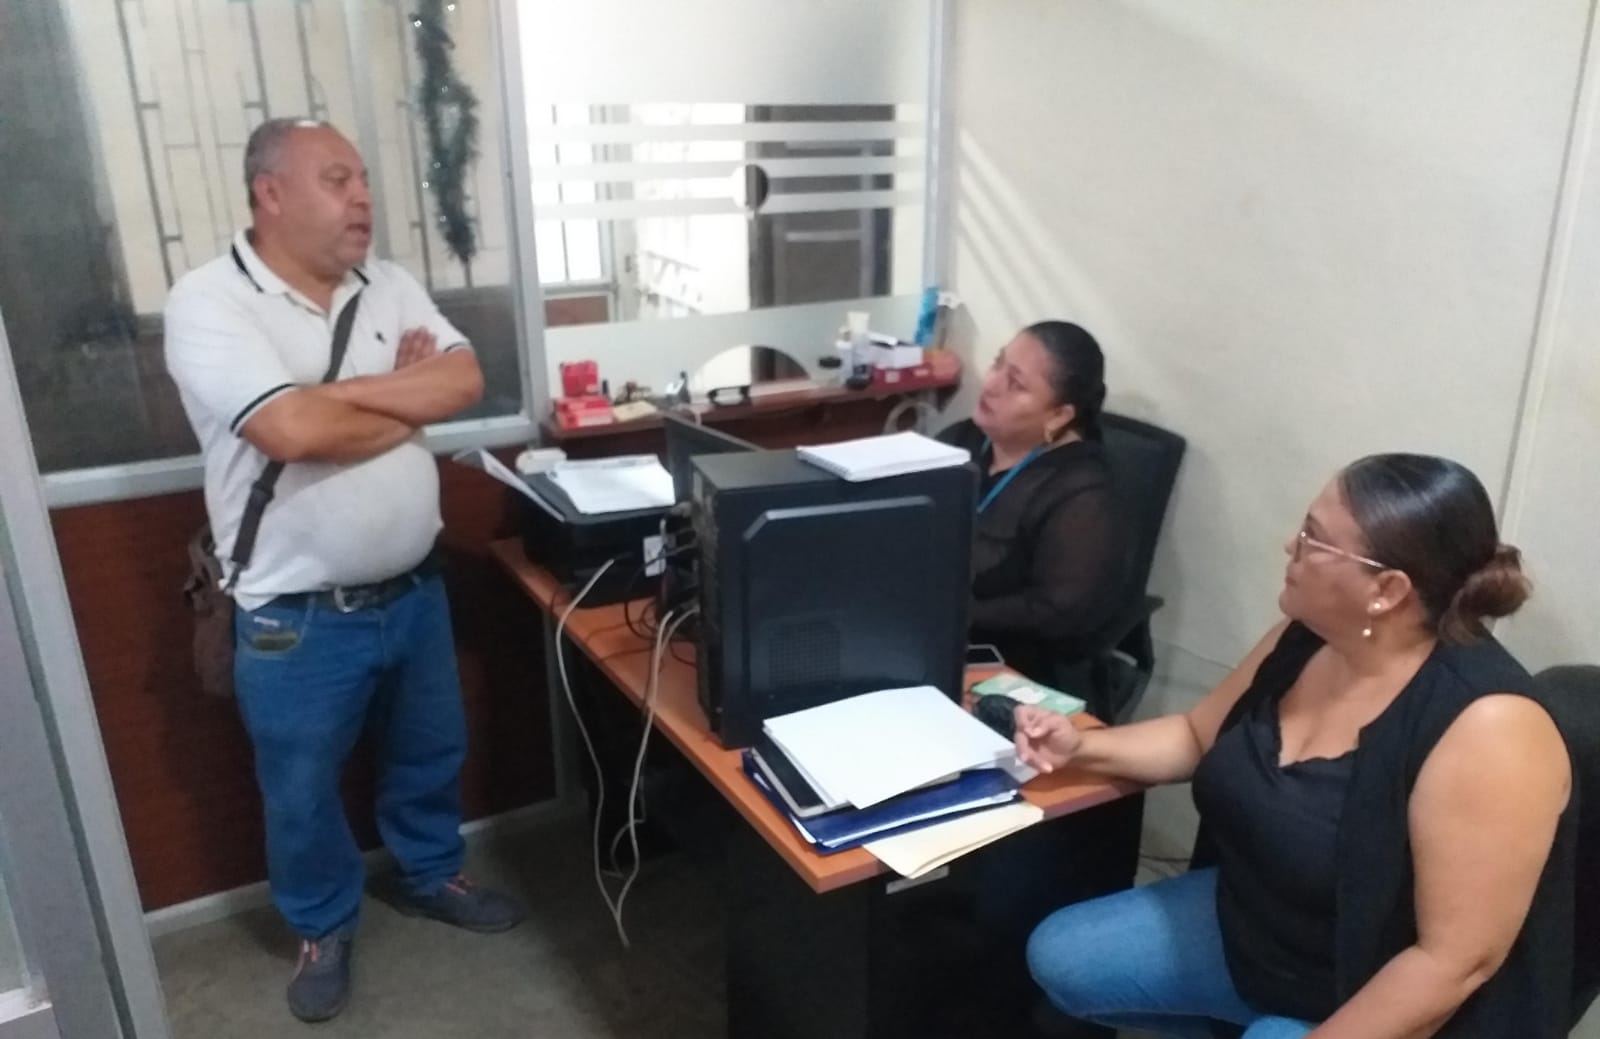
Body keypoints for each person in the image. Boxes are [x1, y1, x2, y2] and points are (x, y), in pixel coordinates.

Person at [1018, 453, 1574, 1038]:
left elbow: (1453, 963)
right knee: (1061, 957)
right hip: (1271, 927)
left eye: (1314, 538)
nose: (1292, 545)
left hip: (1379, 981)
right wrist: (1081, 747)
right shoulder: (1312, 634)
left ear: (1387, 589)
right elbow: (1197, 735)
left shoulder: (1491, 727)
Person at [164, 118, 522, 1024]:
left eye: (363, 178)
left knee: (430, 750)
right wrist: (400, 401)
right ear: (270, 193)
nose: (363, 197)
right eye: (337, 179)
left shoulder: (388, 284)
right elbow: (288, 432)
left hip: (415, 590)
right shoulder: (209, 301)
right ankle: (322, 925)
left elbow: (463, 378)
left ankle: (431, 872)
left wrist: (332, 401)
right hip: (295, 615)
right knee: (300, 789)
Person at [939, 321, 1127, 701]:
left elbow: (1057, 612)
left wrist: (949, 611)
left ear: (1059, 416)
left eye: (1016, 383)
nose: (991, 384)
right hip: (939, 639)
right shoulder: (964, 439)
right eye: (997, 364)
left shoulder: (1081, 491)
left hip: (1023, 674)